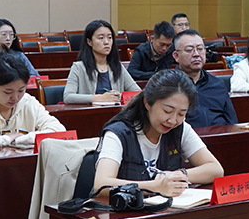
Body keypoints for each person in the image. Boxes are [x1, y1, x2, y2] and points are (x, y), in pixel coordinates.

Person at [93, 69, 224, 198]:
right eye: (167, 111)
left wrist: (178, 175)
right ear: (147, 103)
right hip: (122, 209)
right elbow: (101, 184)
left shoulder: (180, 128)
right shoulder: (118, 133)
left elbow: (216, 169)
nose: (173, 120)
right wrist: (156, 186)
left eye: (181, 114)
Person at [64, 19, 140, 104]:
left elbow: (138, 93)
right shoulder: (79, 67)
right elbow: (68, 97)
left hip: (116, 111)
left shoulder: (117, 66)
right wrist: (99, 98)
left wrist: (121, 96)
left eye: (110, 38)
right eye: (101, 38)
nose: (106, 42)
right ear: (89, 42)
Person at [173, 29, 237, 127]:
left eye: (200, 49)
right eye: (189, 50)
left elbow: (232, 121)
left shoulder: (217, 84)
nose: (196, 54)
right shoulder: (168, 85)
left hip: (218, 135)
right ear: (176, 56)